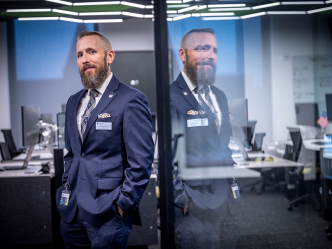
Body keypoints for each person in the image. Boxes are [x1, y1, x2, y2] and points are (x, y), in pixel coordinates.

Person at [56, 31, 154, 249]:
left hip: (108, 214)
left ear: (109, 56)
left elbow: (141, 162)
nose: (85, 59)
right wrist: (66, 189)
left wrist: (122, 205)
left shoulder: (131, 99)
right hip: (72, 213)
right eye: (80, 54)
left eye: (92, 51)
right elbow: (72, 154)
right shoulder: (73, 102)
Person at [170, 28, 241, 249]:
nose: (210, 54)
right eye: (201, 48)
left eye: (214, 49)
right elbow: (167, 159)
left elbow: (223, 147)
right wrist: (183, 201)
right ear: (183, 54)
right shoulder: (170, 97)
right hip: (193, 205)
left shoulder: (219, 96)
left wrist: (233, 191)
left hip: (223, 201)